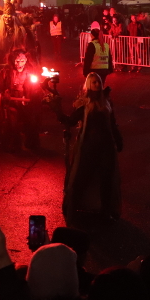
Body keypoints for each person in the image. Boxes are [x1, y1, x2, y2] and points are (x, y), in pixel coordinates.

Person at [48, 72, 122, 219]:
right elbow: (70, 121)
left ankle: (106, 212)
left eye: (98, 82)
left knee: (106, 180)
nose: (97, 84)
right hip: (88, 148)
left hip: (106, 148)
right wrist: (56, 109)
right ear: (88, 85)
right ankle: (73, 209)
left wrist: (118, 140)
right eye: (93, 82)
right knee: (81, 178)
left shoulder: (106, 102)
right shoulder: (85, 104)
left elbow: (112, 124)